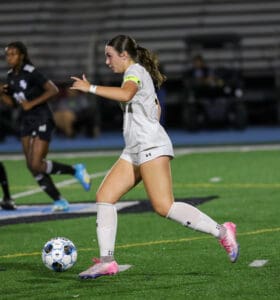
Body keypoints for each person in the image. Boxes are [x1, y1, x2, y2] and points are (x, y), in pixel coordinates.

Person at [70, 35, 239, 279]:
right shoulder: (137, 74)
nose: (107, 61)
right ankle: (107, 261)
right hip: (135, 148)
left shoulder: (134, 72)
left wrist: (91, 88)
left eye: (109, 56)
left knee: (164, 206)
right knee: (105, 196)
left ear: (124, 55)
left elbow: (127, 94)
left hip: (149, 147)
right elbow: (155, 108)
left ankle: (223, 232)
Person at [0, 41, 91, 212]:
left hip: (42, 118)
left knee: (36, 164)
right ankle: (59, 200)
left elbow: (53, 90)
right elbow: (13, 104)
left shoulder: (31, 72)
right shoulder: (11, 75)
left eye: (13, 54)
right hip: (26, 120)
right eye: (7, 54)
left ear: (22, 56)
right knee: (31, 165)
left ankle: (75, 170)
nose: (9, 57)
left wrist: (31, 103)